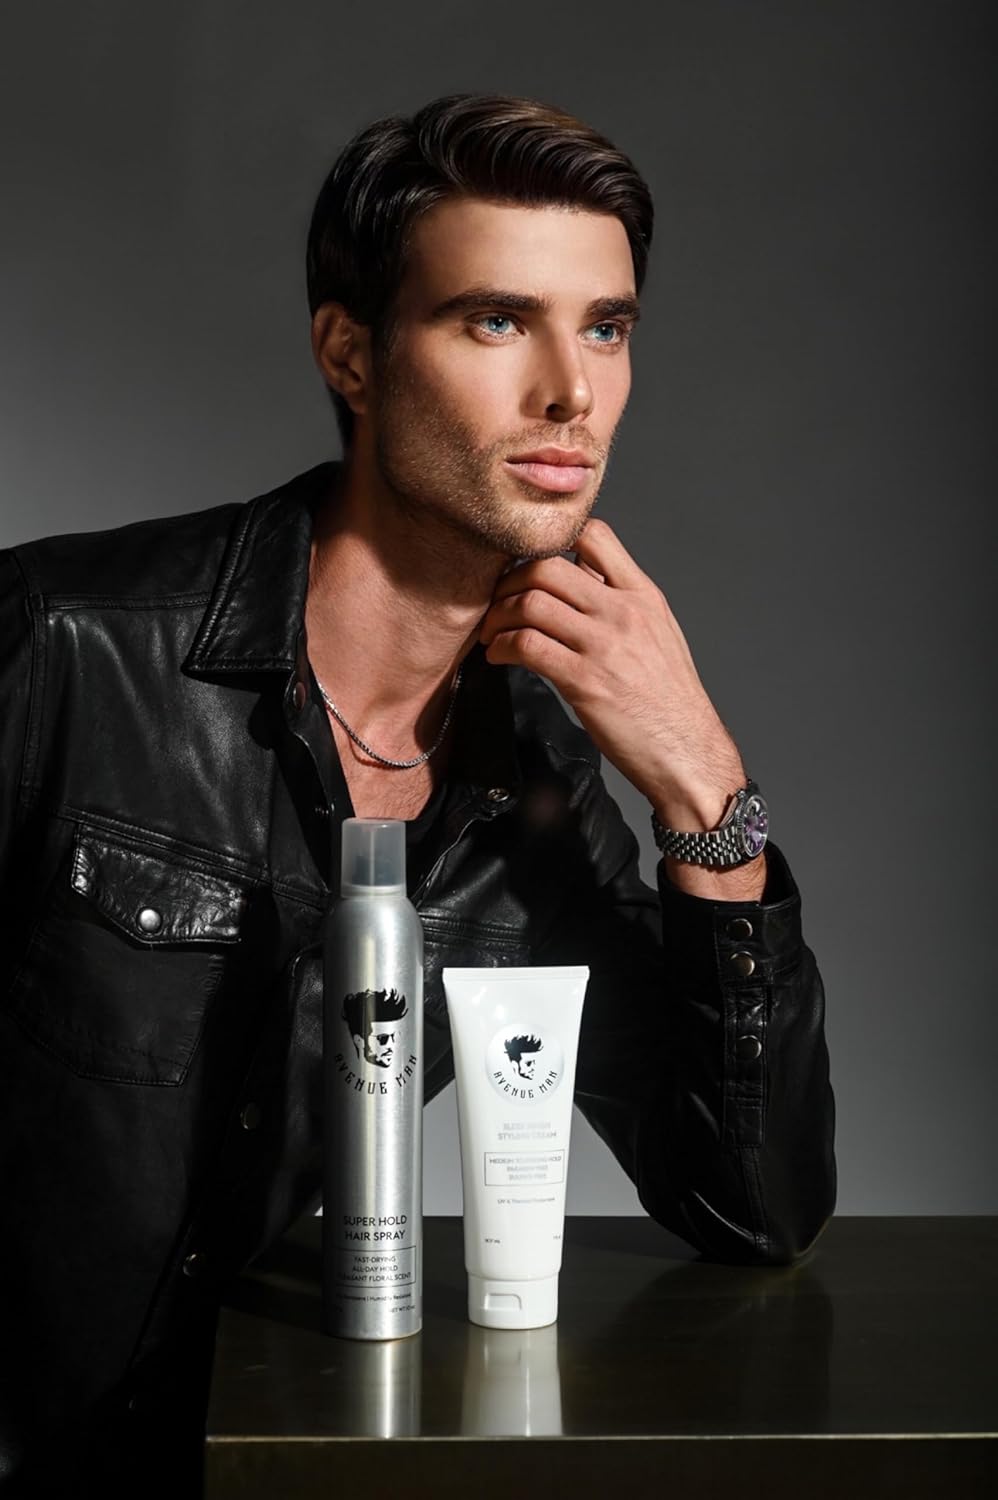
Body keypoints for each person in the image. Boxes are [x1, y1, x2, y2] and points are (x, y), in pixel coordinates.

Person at [0, 91, 836, 1495]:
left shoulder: (528, 791)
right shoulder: (64, 645)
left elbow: (750, 1204)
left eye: (607, 327)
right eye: (496, 321)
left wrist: (704, 781)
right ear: (351, 353)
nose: (571, 393)